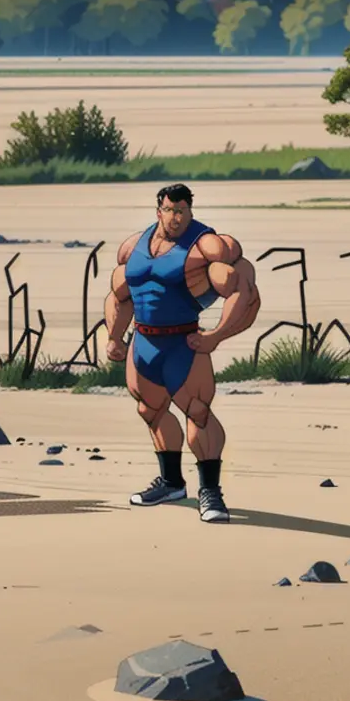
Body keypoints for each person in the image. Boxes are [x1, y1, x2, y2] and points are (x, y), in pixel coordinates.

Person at [103, 183, 261, 523]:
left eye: (182, 211)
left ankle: (211, 493)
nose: (176, 218)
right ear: (158, 210)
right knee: (151, 410)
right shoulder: (134, 246)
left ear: (190, 211)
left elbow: (243, 288)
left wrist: (217, 336)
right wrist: (114, 336)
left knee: (199, 413)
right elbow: (120, 295)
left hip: (184, 344)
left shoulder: (207, 246)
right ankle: (172, 483)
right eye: (170, 211)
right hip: (143, 342)